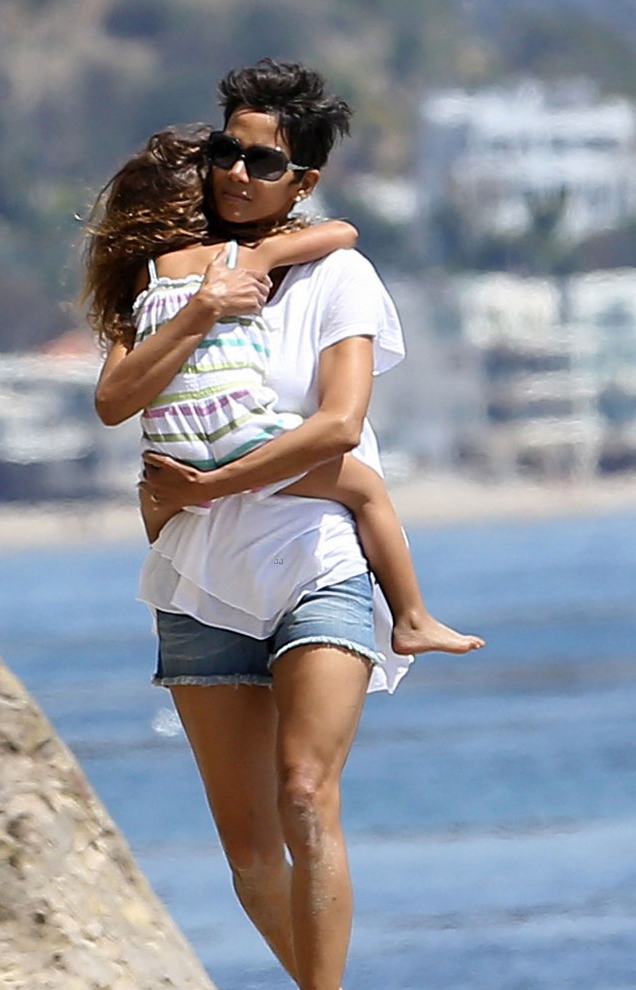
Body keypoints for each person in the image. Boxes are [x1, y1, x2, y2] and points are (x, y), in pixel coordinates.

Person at [91, 60, 484, 990]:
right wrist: (197, 311)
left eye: (260, 160)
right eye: (225, 149)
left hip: (314, 560)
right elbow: (116, 399)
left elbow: (339, 427)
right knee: (249, 850)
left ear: (301, 179)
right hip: (195, 579)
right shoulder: (176, 275)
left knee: (307, 792)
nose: (233, 171)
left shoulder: (337, 276)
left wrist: (212, 487)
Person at [84, 128, 484, 657]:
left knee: (157, 505)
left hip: (172, 447)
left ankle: (193, 598)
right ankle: (412, 617)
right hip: (236, 430)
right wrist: (263, 258)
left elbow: (111, 402)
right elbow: (342, 232)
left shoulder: (144, 279)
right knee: (364, 488)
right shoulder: (239, 257)